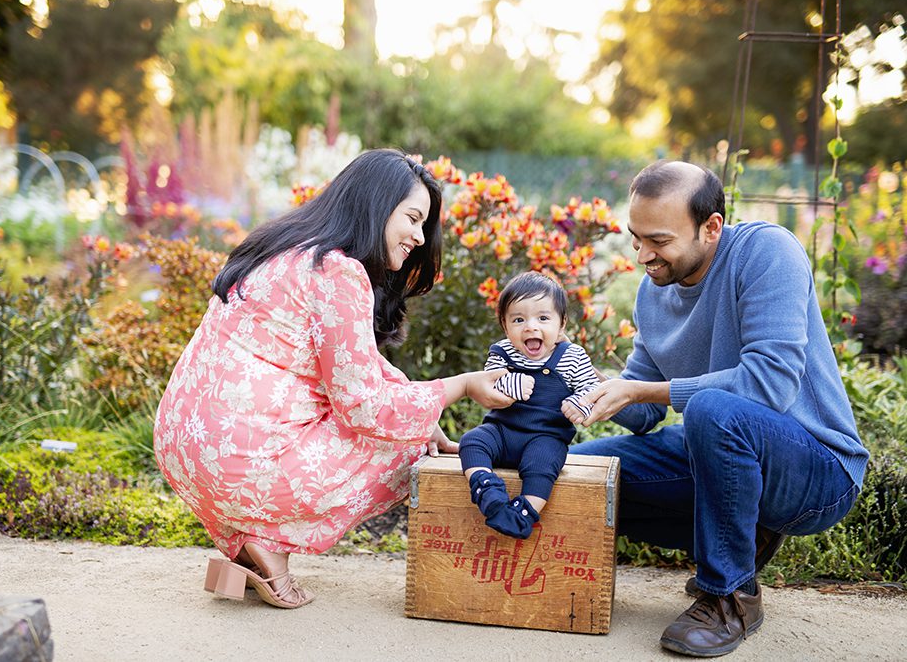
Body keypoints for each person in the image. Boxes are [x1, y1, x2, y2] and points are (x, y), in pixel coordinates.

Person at [153, 149, 514, 609]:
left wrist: (427, 417)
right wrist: (458, 386)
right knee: (400, 439)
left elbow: (358, 365)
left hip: (183, 448)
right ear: (378, 205)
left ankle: (243, 545)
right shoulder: (338, 271)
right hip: (243, 463)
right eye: (413, 218)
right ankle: (269, 546)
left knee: (402, 421)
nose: (419, 238)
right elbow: (365, 406)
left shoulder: (283, 248)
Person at [568, 160, 869, 656]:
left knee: (712, 409)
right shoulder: (654, 290)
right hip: (722, 455)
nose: (643, 255)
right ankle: (740, 533)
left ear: (711, 228)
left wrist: (643, 392)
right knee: (578, 477)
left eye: (659, 241)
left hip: (819, 468)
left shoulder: (766, 253)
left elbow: (767, 384)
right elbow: (642, 409)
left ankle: (730, 594)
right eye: (635, 237)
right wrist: (584, 381)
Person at [460, 271, 599, 539]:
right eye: (518, 319)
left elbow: (591, 389)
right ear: (505, 325)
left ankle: (523, 514)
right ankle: (485, 487)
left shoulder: (572, 356)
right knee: (472, 441)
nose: (531, 327)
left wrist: (578, 403)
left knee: (543, 465)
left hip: (545, 436)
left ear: (561, 325)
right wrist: (511, 384)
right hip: (501, 431)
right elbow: (489, 385)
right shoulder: (501, 353)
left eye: (543, 318)